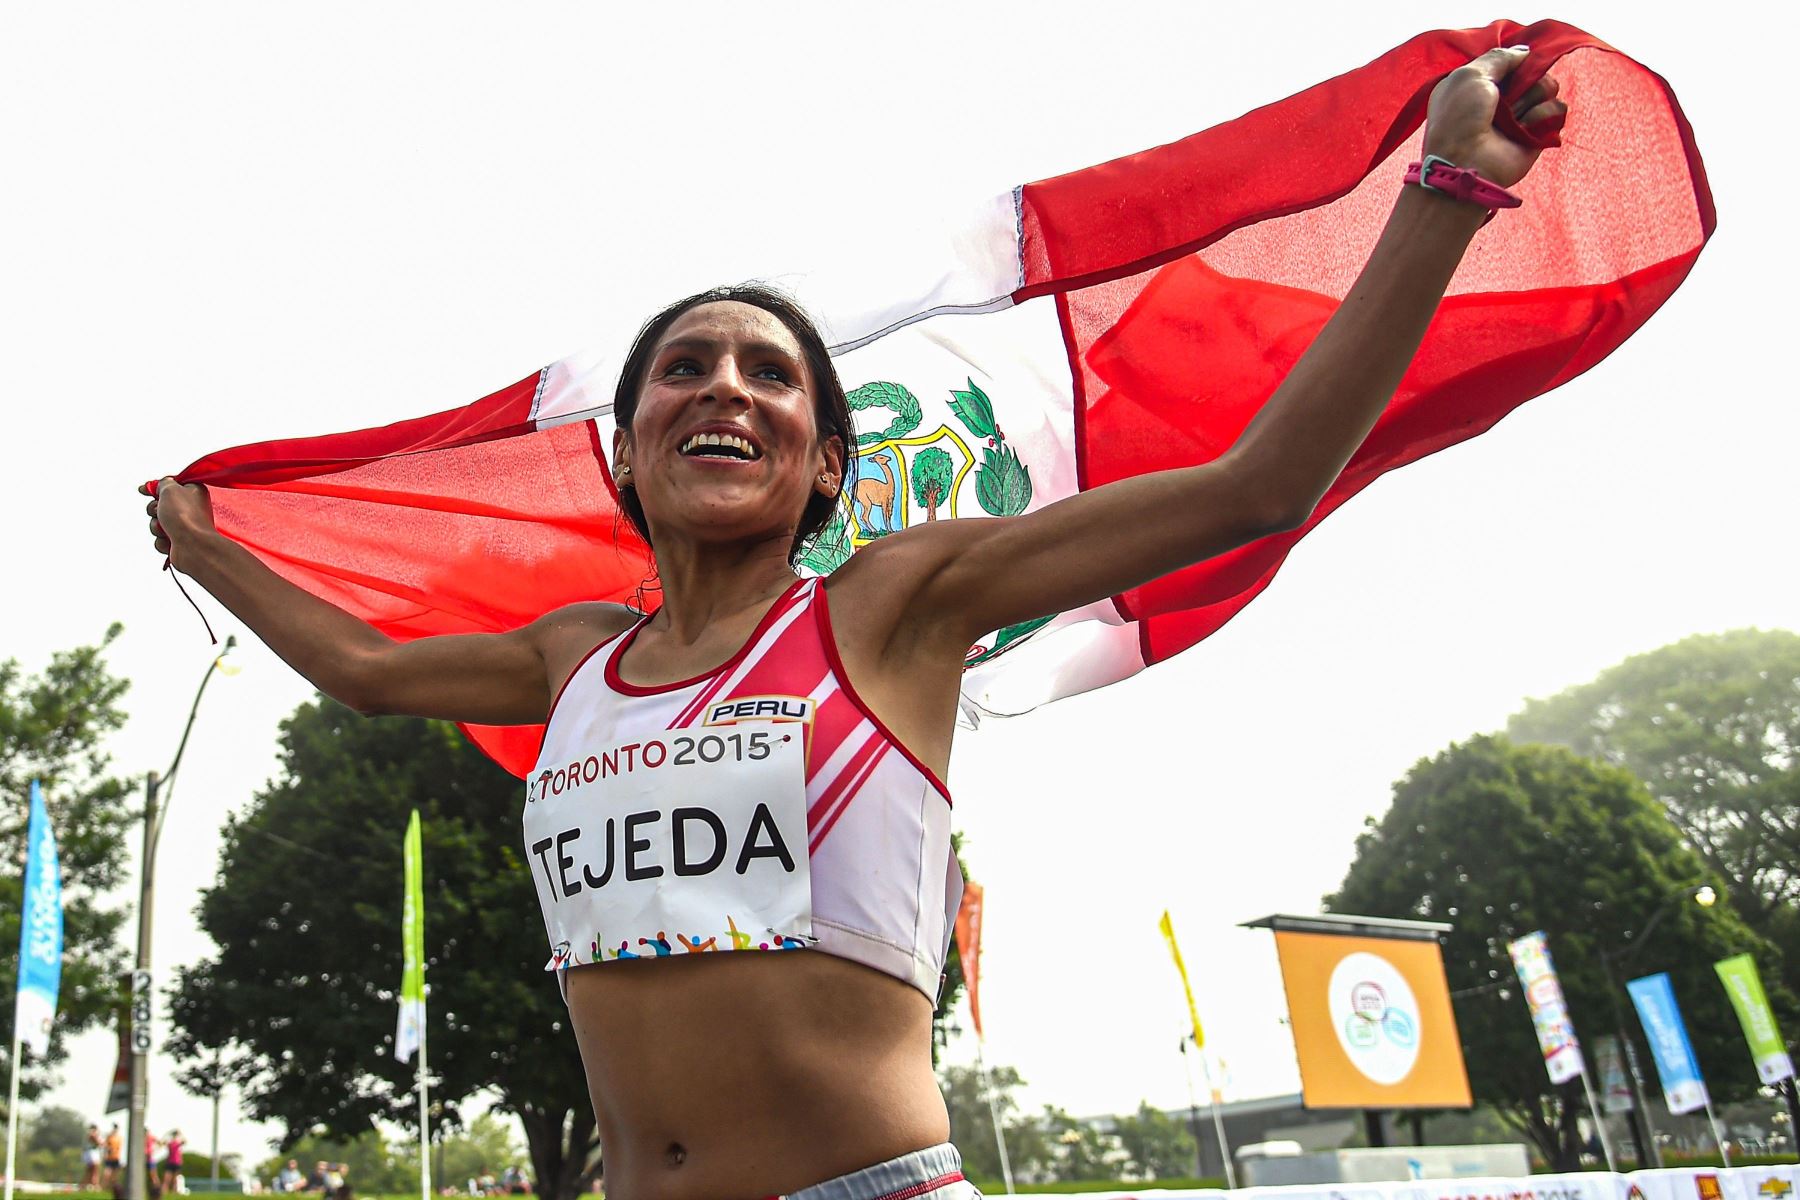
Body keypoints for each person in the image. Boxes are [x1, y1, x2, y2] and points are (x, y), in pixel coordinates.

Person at [142, 48, 1564, 1200]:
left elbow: (1257, 487)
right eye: (682, 368)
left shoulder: (895, 606)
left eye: (772, 375)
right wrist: (208, 553)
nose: (724, 388)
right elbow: (362, 666)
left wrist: (1443, 191)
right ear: (624, 452)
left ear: (828, 461)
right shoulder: (570, 656)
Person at [160, 1130, 186, 1195]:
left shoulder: (177, 1143)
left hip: (177, 1163)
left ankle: (174, 1192)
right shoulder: (170, 1143)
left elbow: (185, 1141)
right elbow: (161, 1142)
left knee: (175, 1180)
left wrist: (180, 1134)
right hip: (170, 1162)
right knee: (166, 1179)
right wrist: (167, 1133)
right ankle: (164, 1192)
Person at [102, 1124, 124, 1193]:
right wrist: (108, 1150)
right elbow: (105, 1146)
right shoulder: (109, 1137)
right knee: (107, 1174)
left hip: (116, 1158)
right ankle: (104, 1187)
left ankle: (112, 1188)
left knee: (115, 1175)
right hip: (109, 1158)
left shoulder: (120, 1138)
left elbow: (120, 1148)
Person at [83, 1125, 103, 1190]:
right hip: (92, 1154)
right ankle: (95, 1185)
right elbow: (99, 1143)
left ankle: (87, 1185)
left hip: (92, 1153)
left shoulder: (92, 1135)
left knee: (91, 1170)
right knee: (94, 1170)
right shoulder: (92, 1135)